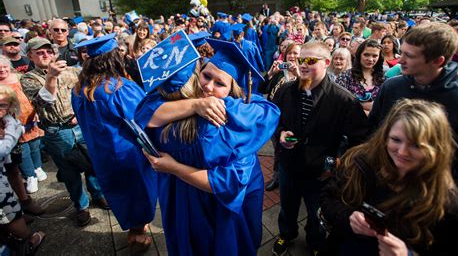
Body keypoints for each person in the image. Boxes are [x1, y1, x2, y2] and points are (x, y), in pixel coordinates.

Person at [135, 34, 280, 255]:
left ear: (233, 91)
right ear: (197, 73)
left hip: (183, 193)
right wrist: (197, 104)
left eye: (219, 83)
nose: (208, 87)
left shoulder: (167, 113)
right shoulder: (232, 123)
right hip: (212, 201)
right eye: (206, 76)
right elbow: (227, 181)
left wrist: (172, 167)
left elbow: (144, 113)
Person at [320, 99, 458, 255]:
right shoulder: (360, 162)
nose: (402, 152)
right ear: (385, 136)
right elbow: (328, 197)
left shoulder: (451, 207)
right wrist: (347, 216)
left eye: (416, 145)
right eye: (396, 140)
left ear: (436, 147)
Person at [271, 41, 370, 255]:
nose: (303, 65)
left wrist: (339, 161)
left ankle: (316, 243)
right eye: (300, 60)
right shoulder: (287, 90)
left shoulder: (342, 99)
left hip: (321, 173)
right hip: (289, 166)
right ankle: (286, 235)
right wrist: (280, 134)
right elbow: (273, 120)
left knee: (316, 214)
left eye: (310, 60)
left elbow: (360, 139)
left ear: (326, 63)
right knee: (287, 207)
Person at [71, 34, 158, 253]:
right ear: (112, 58)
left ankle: (133, 228)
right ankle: (138, 234)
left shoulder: (79, 89)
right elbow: (145, 117)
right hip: (128, 154)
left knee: (118, 192)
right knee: (138, 192)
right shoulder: (119, 88)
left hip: (101, 154)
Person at [369, 22, 458, 202]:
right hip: (381, 188)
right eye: (401, 52)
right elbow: (371, 132)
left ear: (437, 61)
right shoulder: (392, 86)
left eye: (409, 56)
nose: (400, 60)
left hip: (429, 201)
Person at [20, 37, 107, 226]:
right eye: (39, 52)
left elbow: (88, 90)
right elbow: (43, 103)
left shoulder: (71, 71)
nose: (45, 55)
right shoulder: (28, 78)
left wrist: (81, 113)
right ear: (30, 56)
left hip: (80, 126)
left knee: (92, 163)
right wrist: (50, 76)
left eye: (48, 51)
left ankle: (99, 194)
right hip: (57, 132)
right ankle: (81, 206)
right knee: (70, 172)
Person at [0, 85, 45, 255]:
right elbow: (2, 150)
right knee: (10, 216)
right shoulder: (11, 124)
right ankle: (28, 241)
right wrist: (13, 126)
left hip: (3, 177)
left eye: (3, 105)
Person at [0, 55, 46, 195]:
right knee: (22, 150)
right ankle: (30, 175)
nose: (2, 70)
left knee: (35, 145)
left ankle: (38, 168)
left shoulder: (20, 77)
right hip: (12, 122)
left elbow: (31, 95)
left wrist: (36, 110)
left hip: (30, 116)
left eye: (5, 67)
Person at [259, 42, 301, 191]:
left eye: (296, 53)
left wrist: (298, 74)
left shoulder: (303, 72)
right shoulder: (279, 70)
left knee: (292, 148)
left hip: (294, 121)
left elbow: (309, 91)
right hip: (275, 119)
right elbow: (262, 88)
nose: (292, 56)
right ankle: (277, 177)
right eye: (290, 53)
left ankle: (292, 180)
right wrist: (271, 73)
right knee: (278, 148)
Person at [336, 40, 385, 115]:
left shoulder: (384, 80)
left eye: (374, 56)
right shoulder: (345, 77)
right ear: (359, 55)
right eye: (366, 55)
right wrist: (362, 108)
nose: (370, 59)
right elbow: (337, 102)